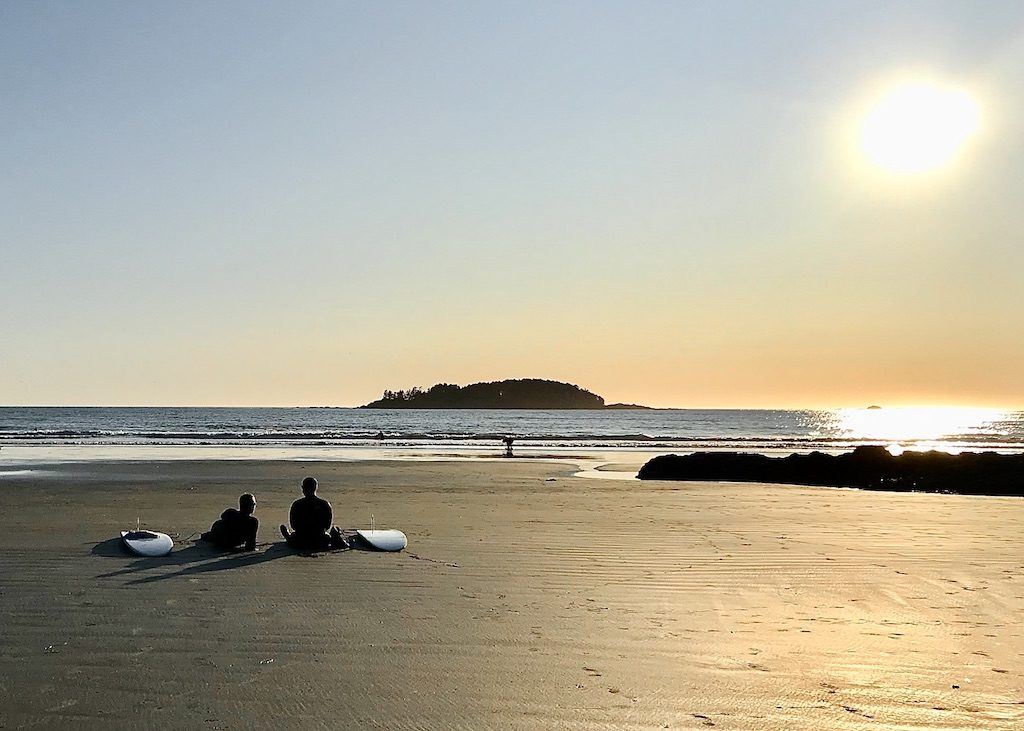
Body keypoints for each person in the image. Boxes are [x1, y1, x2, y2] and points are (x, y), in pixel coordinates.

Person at [279, 477, 347, 550]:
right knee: (334, 530)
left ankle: (288, 537)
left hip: (300, 538)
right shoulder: (324, 504)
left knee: (287, 532)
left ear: (302, 488)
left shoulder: (297, 504)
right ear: (315, 487)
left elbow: (293, 525)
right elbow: (327, 526)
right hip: (320, 538)